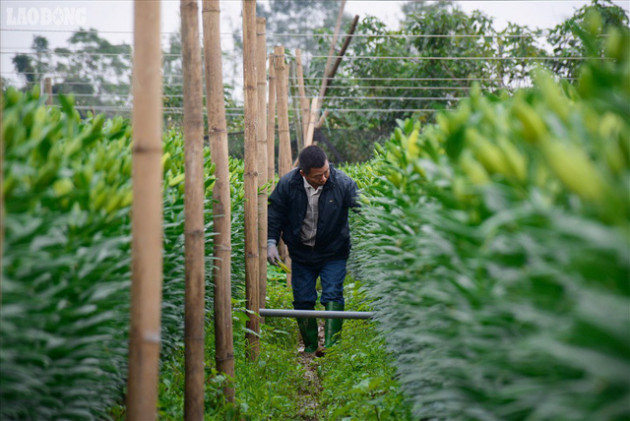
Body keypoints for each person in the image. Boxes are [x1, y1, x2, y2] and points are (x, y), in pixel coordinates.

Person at [267, 145, 359, 354]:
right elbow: (275, 214)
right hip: (301, 253)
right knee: (302, 299)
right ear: (303, 174)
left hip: (334, 251)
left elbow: (363, 207)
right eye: (318, 176)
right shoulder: (288, 185)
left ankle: (331, 348)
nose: (325, 178)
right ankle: (309, 347)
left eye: (326, 172)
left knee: (333, 294)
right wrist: (271, 242)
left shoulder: (342, 183)